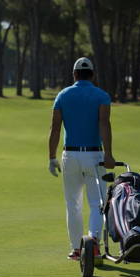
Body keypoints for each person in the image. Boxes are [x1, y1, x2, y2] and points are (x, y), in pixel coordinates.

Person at [48, 57, 116, 261]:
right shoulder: (102, 96)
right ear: (92, 75)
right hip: (95, 155)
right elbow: (104, 124)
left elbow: (55, 128)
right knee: (97, 203)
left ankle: (77, 248)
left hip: (70, 155)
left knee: (73, 204)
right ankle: (93, 244)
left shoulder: (63, 95)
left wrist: (51, 157)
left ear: (74, 74)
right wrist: (109, 153)